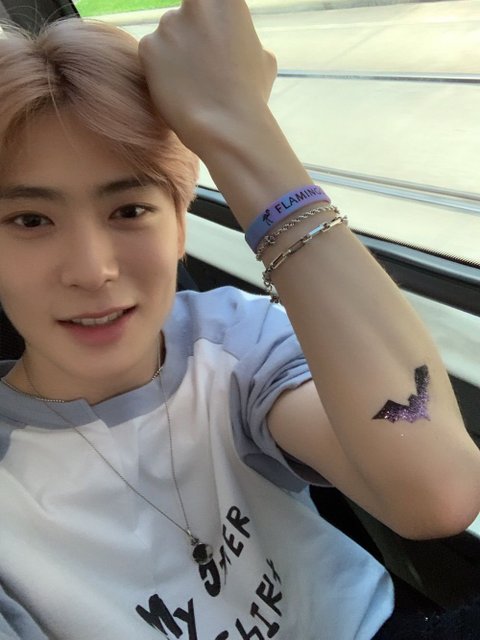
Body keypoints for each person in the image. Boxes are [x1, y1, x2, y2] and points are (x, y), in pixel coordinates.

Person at [0, 1, 479, 638]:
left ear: (179, 227)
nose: (92, 270)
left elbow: (438, 491)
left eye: (130, 211)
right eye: (31, 220)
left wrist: (240, 125)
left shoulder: (228, 339)